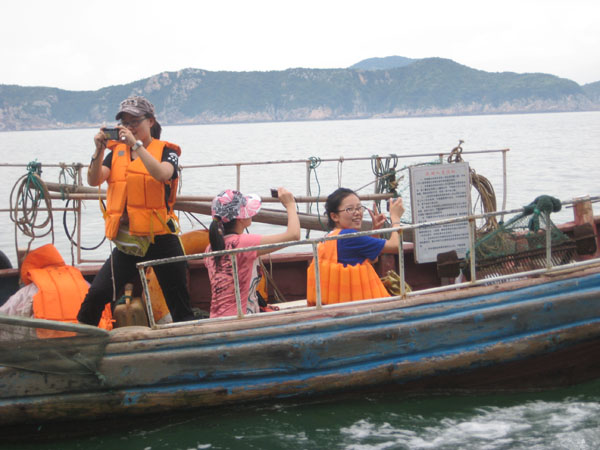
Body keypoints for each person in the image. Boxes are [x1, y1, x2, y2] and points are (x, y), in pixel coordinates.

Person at [77, 96, 194, 325]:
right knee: (98, 293)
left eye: (135, 122)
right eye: (125, 123)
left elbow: (162, 173)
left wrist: (136, 145)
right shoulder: (116, 153)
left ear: (150, 121)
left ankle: (188, 338)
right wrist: (99, 150)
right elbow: (93, 179)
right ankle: (84, 335)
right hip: (129, 242)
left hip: (161, 237)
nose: (129, 127)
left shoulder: (166, 151)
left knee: (179, 302)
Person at [205, 188, 300, 318]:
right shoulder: (244, 243)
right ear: (240, 218)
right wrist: (290, 205)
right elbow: (294, 235)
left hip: (216, 318)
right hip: (240, 319)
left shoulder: (210, 248)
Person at [307, 187, 405, 305]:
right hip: (362, 307)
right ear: (334, 216)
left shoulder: (330, 236)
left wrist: (375, 230)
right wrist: (395, 218)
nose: (357, 213)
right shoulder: (350, 237)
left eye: (359, 208)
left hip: (335, 305)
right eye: (349, 209)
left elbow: (373, 259)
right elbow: (396, 246)